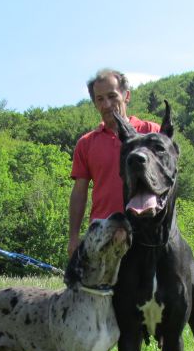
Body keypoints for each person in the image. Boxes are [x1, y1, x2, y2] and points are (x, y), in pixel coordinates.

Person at [68, 69, 160, 256]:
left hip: (146, 232)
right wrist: (74, 237)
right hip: (104, 234)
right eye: (99, 99)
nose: (107, 104)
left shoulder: (151, 132)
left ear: (126, 96)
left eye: (112, 96)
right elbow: (79, 193)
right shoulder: (86, 143)